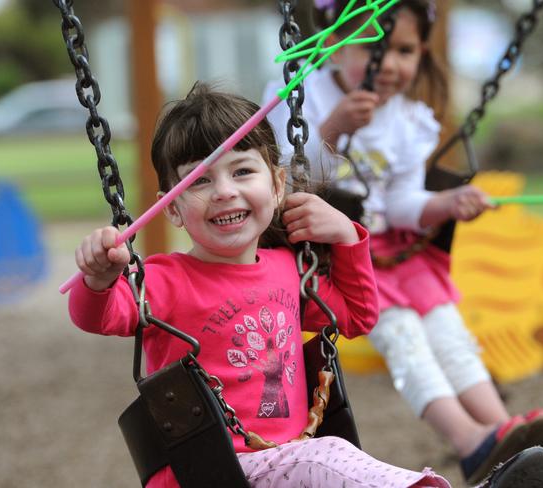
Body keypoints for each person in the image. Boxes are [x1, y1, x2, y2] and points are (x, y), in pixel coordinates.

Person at [68, 82, 452, 488]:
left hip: (287, 461)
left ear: (277, 185)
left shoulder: (289, 268)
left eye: (243, 171)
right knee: (328, 456)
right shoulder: (165, 279)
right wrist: (98, 277)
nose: (225, 191)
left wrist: (345, 237)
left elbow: (356, 317)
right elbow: (100, 315)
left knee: (319, 459)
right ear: (173, 208)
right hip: (206, 468)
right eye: (199, 181)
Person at [263, 0, 543, 485]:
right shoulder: (302, 97)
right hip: (343, 256)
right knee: (406, 341)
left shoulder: (408, 119)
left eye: (405, 51)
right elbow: (287, 183)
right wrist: (335, 128)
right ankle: (469, 441)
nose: (392, 64)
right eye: (375, 47)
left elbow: (401, 201)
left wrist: (445, 204)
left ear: (422, 53)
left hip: (397, 252)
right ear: (335, 42)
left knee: (448, 329)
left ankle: (502, 430)